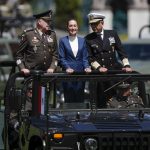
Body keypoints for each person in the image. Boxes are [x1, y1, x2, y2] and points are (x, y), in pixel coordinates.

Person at [85, 12, 132, 108]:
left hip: (113, 70)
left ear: (102, 23)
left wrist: (126, 65)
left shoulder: (112, 34)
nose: (93, 26)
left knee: (122, 93)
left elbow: (121, 51)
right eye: (91, 24)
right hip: (100, 74)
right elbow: (90, 57)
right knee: (101, 101)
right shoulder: (88, 39)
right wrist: (98, 67)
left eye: (95, 24)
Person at [58, 19, 91, 104]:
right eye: (70, 26)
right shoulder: (63, 40)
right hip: (68, 74)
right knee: (69, 99)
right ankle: (69, 118)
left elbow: (85, 58)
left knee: (80, 99)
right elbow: (62, 58)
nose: (73, 28)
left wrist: (87, 67)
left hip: (80, 74)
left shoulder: (82, 40)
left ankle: (81, 117)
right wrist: (67, 68)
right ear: (67, 27)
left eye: (74, 26)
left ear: (77, 27)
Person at [16, 9, 58, 74]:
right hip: (32, 74)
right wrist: (22, 68)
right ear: (39, 21)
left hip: (49, 74)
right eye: (46, 21)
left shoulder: (52, 34)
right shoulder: (28, 34)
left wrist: (52, 67)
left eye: (49, 21)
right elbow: (19, 55)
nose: (49, 23)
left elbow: (55, 55)